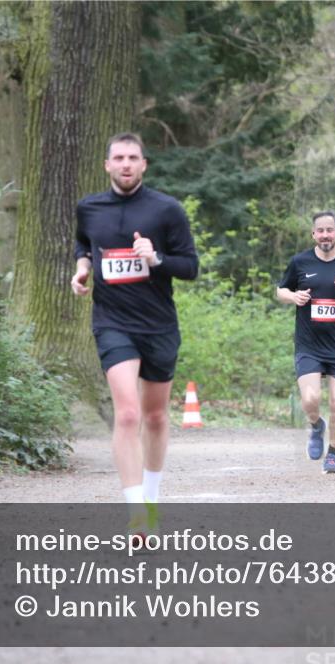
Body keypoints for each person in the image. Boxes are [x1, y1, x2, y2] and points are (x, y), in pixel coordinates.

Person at [71, 132, 198, 530]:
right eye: (119, 158)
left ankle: (152, 500)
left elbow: (190, 267)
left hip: (158, 325)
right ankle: (136, 514)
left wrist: (156, 258)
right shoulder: (88, 208)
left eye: (132, 158)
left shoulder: (167, 210)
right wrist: (81, 270)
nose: (125, 164)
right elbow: (83, 245)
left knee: (155, 417)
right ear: (107, 165)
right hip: (112, 323)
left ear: (144, 165)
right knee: (127, 414)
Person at [277, 211, 335, 473]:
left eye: (330, 230)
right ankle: (317, 425)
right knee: (310, 399)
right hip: (309, 345)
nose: (325, 235)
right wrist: (293, 297)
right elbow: (281, 290)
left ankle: (332, 454)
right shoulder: (300, 262)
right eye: (320, 231)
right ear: (313, 234)